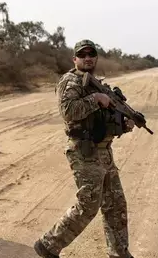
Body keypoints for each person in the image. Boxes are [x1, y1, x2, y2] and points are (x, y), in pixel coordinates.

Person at [34, 39, 135, 258]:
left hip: (104, 152)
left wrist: (123, 124)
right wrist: (95, 98)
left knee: (115, 205)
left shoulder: (95, 83)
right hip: (84, 151)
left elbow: (101, 120)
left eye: (91, 54)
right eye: (83, 55)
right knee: (88, 205)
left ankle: (119, 253)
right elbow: (69, 112)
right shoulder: (70, 81)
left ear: (96, 58)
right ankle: (48, 244)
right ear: (75, 59)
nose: (87, 58)